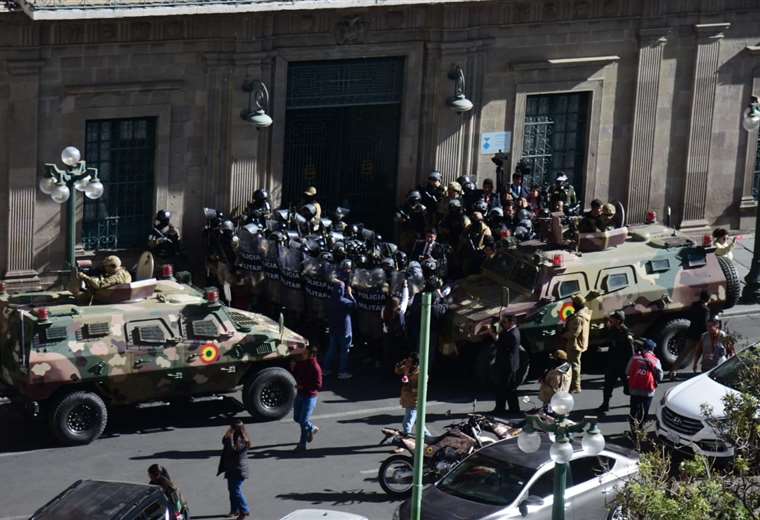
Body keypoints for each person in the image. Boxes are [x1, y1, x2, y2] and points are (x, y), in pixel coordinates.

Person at [480, 313, 522, 416]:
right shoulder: (510, 331)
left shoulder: (512, 334)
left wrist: (491, 333)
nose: (502, 324)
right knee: (509, 388)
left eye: (504, 322)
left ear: (511, 322)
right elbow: (502, 335)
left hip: (507, 365)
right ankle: (513, 409)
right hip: (509, 364)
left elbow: (500, 345)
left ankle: (501, 409)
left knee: (502, 388)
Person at [597, 310, 635, 412]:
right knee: (608, 385)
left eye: (613, 318)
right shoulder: (612, 329)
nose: (611, 319)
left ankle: (633, 404)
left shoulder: (627, 335)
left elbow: (631, 354)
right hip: (612, 364)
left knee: (628, 388)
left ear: (618, 320)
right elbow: (604, 337)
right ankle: (605, 405)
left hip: (623, 366)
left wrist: (630, 369)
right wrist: (606, 325)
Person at [669, 290, 711, 379]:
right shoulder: (705, 310)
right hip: (700, 335)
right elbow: (704, 324)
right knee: (705, 353)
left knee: (684, 353)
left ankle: (673, 371)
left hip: (691, 331)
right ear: (708, 299)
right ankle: (706, 371)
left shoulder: (694, 305)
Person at [626, 338, 663, 434]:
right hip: (648, 390)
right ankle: (641, 429)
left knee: (634, 410)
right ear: (652, 349)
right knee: (644, 411)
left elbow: (627, 371)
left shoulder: (634, 358)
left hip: (634, 388)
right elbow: (660, 375)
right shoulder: (655, 360)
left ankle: (633, 429)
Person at [217, 419, 251, 520]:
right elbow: (224, 441)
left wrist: (230, 435)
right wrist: (229, 434)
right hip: (232, 469)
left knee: (236, 491)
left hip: (238, 470)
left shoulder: (243, 440)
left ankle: (244, 510)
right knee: (232, 490)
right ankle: (234, 510)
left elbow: (232, 450)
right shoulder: (237, 437)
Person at [291, 344, 323, 451]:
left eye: (305, 353)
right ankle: (311, 429)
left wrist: (303, 386)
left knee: (303, 421)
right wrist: (293, 368)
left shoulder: (316, 368)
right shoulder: (301, 363)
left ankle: (302, 444)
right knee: (297, 418)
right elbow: (297, 374)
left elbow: (318, 385)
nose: (302, 354)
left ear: (311, 355)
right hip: (300, 394)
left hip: (309, 397)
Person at [324, 279, 356, 379]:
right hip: (345, 330)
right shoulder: (345, 302)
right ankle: (342, 372)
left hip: (333, 329)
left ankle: (326, 369)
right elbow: (355, 305)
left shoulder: (330, 300)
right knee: (344, 352)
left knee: (331, 350)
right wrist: (350, 294)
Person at [394, 352, 430, 436]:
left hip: (415, 402)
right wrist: (400, 363)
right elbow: (397, 371)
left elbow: (421, 389)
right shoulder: (407, 368)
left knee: (407, 424)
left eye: (409, 361)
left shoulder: (421, 373)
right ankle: (432, 439)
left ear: (415, 363)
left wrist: (407, 384)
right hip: (407, 399)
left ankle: (405, 443)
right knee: (420, 425)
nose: (407, 362)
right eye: (407, 360)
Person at [562, 294, 592, 393]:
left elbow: (574, 333)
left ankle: (575, 386)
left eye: (574, 303)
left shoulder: (578, 318)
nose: (572, 304)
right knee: (574, 364)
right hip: (577, 343)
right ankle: (574, 385)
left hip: (574, 344)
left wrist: (563, 334)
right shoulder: (584, 312)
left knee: (574, 365)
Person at [381, 280, 410, 364]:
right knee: (398, 356)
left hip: (387, 336)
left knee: (388, 354)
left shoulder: (384, 310)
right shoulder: (400, 312)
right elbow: (405, 299)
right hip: (398, 337)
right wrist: (405, 287)